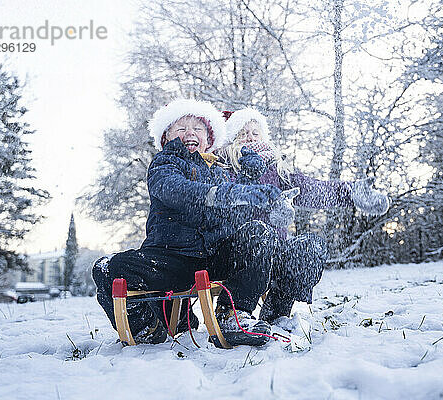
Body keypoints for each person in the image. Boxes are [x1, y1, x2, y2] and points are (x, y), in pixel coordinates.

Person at [92, 99, 289, 347]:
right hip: (172, 258)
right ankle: (146, 328)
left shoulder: (219, 171)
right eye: (181, 128)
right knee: (106, 267)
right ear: (166, 138)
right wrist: (220, 194)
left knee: (256, 233)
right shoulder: (165, 163)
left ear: (209, 139)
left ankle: (233, 315)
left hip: (214, 257)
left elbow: (239, 215)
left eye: (198, 128)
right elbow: (175, 189)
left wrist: (251, 183)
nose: (190, 133)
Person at [217, 107, 390, 324]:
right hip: (238, 253)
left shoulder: (277, 169)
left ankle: (277, 312)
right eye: (243, 134)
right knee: (257, 235)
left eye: (255, 132)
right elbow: (221, 205)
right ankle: (233, 314)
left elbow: (312, 189)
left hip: (273, 251)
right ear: (232, 139)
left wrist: (352, 193)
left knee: (310, 247)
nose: (250, 138)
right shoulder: (223, 168)